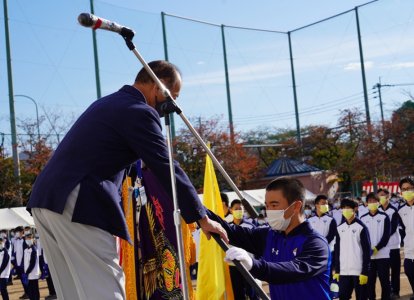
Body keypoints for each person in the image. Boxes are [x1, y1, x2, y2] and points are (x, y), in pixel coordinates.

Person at [26, 60, 228, 299]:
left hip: (47, 200)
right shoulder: (139, 111)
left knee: (73, 292)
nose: (173, 105)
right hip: (79, 200)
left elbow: (135, 166)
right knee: (104, 288)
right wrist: (201, 218)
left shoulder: (108, 103)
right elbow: (165, 165)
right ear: (158, 87)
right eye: (173, 96)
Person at [208, 177, 331, 299]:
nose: (269, 211)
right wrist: (199, 213)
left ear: (296, 206)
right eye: (267, 206)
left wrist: (253, 265)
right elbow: (230, 231)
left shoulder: (316, 243)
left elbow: (293, 270)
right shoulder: (269, 236)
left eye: (274, 205)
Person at [334, 198, 370, 300]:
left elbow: (367, 252)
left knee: (362, 297)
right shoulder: (339, 228)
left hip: (359, 272)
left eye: (348, 208)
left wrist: (365, 272)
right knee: (343, 297)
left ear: (355, 209)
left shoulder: (362, 227)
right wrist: (337, 270)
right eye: (343, 208)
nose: (346, 210)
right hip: (344, 272)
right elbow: (337, 251)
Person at [360, 193, 391, 300]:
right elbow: (361, 238)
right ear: (366, 203)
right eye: (370, 201)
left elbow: (386, 237)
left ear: (378, 203)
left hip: (383, 255)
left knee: (385, 282)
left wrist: (376, 248)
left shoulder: (384, 217)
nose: (372, 203)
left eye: (374, 201)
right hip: (369, 258)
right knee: (370, 283)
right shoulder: (362, 218)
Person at [228, 199, 258, 300]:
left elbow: (257, 246)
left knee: (252, 292)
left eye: (240, 209)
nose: (238, 211)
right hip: (233, 266)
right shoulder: (228, 227)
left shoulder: (250, 226)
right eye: (236, 209)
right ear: (231, 210)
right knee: (237, 293)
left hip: (248, 264)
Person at [378, 188, 401, 299]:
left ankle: (395, 291)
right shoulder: (377, 210)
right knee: (384, 272)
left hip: (393, 245)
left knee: (395, 270)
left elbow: (392, 228)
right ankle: (387, 292)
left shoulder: (393, 210)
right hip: (382, 247)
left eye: (383, 195)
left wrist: (383, 237)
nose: (381, 198)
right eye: (379, 196)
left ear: (388, 196)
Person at [398, 177, 414, 297]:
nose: (407, 191)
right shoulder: (401, 211)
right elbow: (404, 230)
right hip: (409, 254)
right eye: (404, 189)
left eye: (409, 188)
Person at [22, 234, 40, 300]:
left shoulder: (34, 249)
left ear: (32, 239)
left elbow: (33, 263)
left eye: (29, 238)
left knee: (35, 290)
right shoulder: (26, 250)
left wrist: (27, 272)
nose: (28, 240)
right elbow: (25, 262)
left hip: (33, 273)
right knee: (30, 291)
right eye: (27, 238)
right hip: (28, 273)